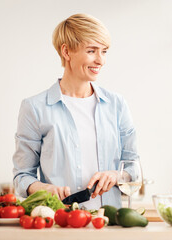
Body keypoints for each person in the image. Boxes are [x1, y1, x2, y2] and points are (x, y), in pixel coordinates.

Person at [12, 14, 138, 210]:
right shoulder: (35, 108)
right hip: (60, 221)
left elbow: (133, 169)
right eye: (91, 51)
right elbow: (22, 176)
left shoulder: (116, 105)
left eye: (104, 51)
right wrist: (43, 188)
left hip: (109, 222)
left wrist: (116, 176)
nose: (100, 60)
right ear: (66, 51)